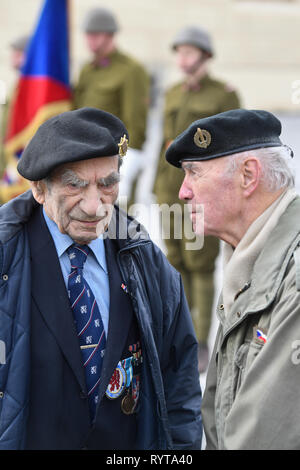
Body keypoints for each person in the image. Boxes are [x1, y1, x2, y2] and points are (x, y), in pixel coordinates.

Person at [0, 107, 202, 450]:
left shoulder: (145, 260)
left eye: (108, 184)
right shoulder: (7, 257)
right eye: (75, 186)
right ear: (38, 188)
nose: (95, 207)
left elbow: (179, 384)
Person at [165, 108, 300, 450]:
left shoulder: (293, 275)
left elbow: (262, 436)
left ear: (248, 175)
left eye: (194, 173)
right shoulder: (249, 259)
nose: (183, 192)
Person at [153, 26, 241, 372]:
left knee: (200, 263)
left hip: (202, 192)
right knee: (175, 262)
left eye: (189, 52)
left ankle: (201, 342)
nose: (183, 59)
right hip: (169, 191)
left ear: (205, 56)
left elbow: (234, 146)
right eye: (180, 52)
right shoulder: (173, 92)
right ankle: (181, 334)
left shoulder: (223, 95)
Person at [73, 7, 150, 204]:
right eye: (88, 34)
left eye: (95, 35)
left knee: (117, 225)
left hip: (114, 159)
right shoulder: (87, 71)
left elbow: (135, 124)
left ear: (109, 36)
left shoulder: (130, 70)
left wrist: (123, 161)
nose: (90, 40)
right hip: (85, 159)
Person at [0, 35, 29, 184]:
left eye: (18, 53)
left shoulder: (30, 88)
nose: (13, 57)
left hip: (18, 158)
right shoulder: (17, 84)